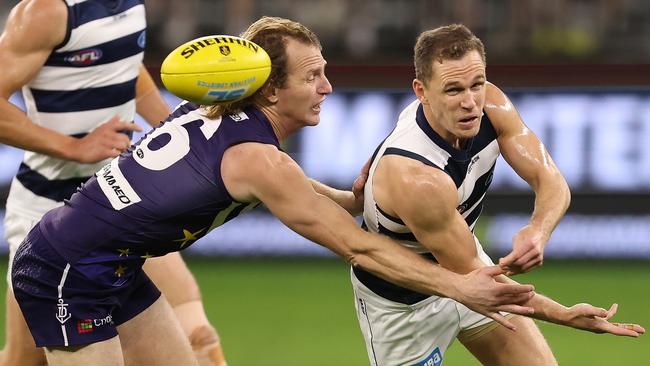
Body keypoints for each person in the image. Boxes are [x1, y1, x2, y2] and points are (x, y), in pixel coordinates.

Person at [7, 16, 548, 366]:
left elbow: (281, 181)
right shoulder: (259, 159)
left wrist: (345, 198)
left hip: (113, 264)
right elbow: (360, 248)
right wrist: (462, 287)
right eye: (312, 77)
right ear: (269, 88)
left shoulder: (217, 109)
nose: (327, 88)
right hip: (67, 271)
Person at [350, 24, 645, 366]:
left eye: (477, 84)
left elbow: (550, 178)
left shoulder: (491, 104)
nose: (470, 102)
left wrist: (538, 230)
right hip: (404, 304)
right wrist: (563, 314)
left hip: (466, 261)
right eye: (453, 90)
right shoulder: (417, 176)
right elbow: (469, 277)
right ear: (421, 91)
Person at [0, 1, 226, 365]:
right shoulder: (46, 11)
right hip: (48, 215)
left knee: (198, 335)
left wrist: (180, 135)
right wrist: (73, 147)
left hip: (119, 199)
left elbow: (127, 69)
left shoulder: (131, 4)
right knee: (26, 362)